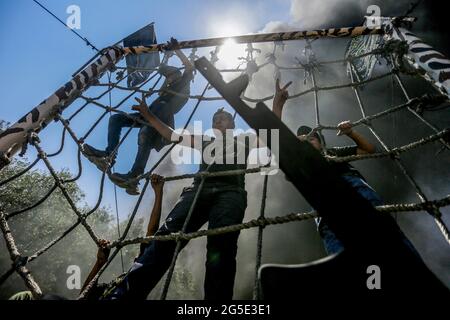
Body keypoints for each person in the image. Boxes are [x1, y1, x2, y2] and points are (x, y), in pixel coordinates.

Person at [106, 95, 263, 300]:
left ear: (232, 123)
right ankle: (122, 296)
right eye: (214, 119)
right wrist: (148, 115)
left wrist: (277, 105)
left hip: (230, 192)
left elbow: (268, 136)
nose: (217, 121)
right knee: (165, 238)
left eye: (222, 118)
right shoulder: (205, 140)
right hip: (199, 189)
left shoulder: (244, 140)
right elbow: (171, 135)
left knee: (221, 247)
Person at [272, 78, 387, 255]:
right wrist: (278, 106)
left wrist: (351, 133)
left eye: (312, 137)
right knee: (341, 247)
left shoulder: (333, 153)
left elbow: (368, 149)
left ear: (320, 143)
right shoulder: (297, 162)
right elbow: (271, 137)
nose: (307, 139)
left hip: (352, 187)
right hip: (323, 199)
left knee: (382, 235)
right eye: (303, 138)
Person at [83, 38, 194, 195]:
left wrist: (177, 50)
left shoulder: (183, 83)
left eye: (171, 74)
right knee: (116, 119)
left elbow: (190, 67)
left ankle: (134, 177)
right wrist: (167, 56)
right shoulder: (165, 89)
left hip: (162, 116)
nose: (169, 77)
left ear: (176, 74)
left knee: (145, 135)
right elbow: (162, 68)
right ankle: (108, 155)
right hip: (150, 112)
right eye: (167, 76)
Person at [82, 174, 165, 300]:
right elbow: (84, 295)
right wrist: (100, 263)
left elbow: (151, 233)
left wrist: (158, 194)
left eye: (140, 256)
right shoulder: (115, 285)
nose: (137, 256)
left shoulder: (140, 280)